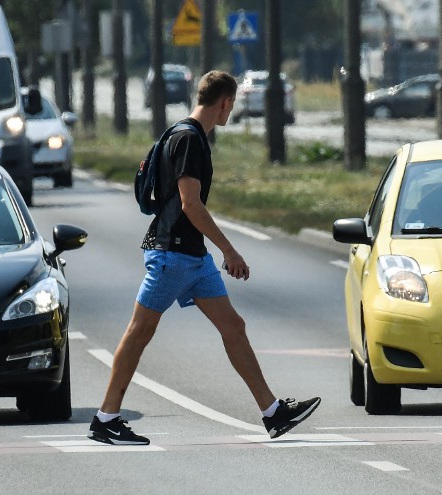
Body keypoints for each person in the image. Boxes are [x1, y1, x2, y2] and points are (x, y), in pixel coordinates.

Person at [88, 70, 320, 446]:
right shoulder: (190, 140)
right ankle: (106, 418)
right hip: (172, 254)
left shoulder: (186, 135)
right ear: (225, 102)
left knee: (234, 326)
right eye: (233, 105)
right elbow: (190, 205)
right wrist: (229, 249)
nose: (232, 111)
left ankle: (272, 412)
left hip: (192, 257)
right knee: (139, 332)